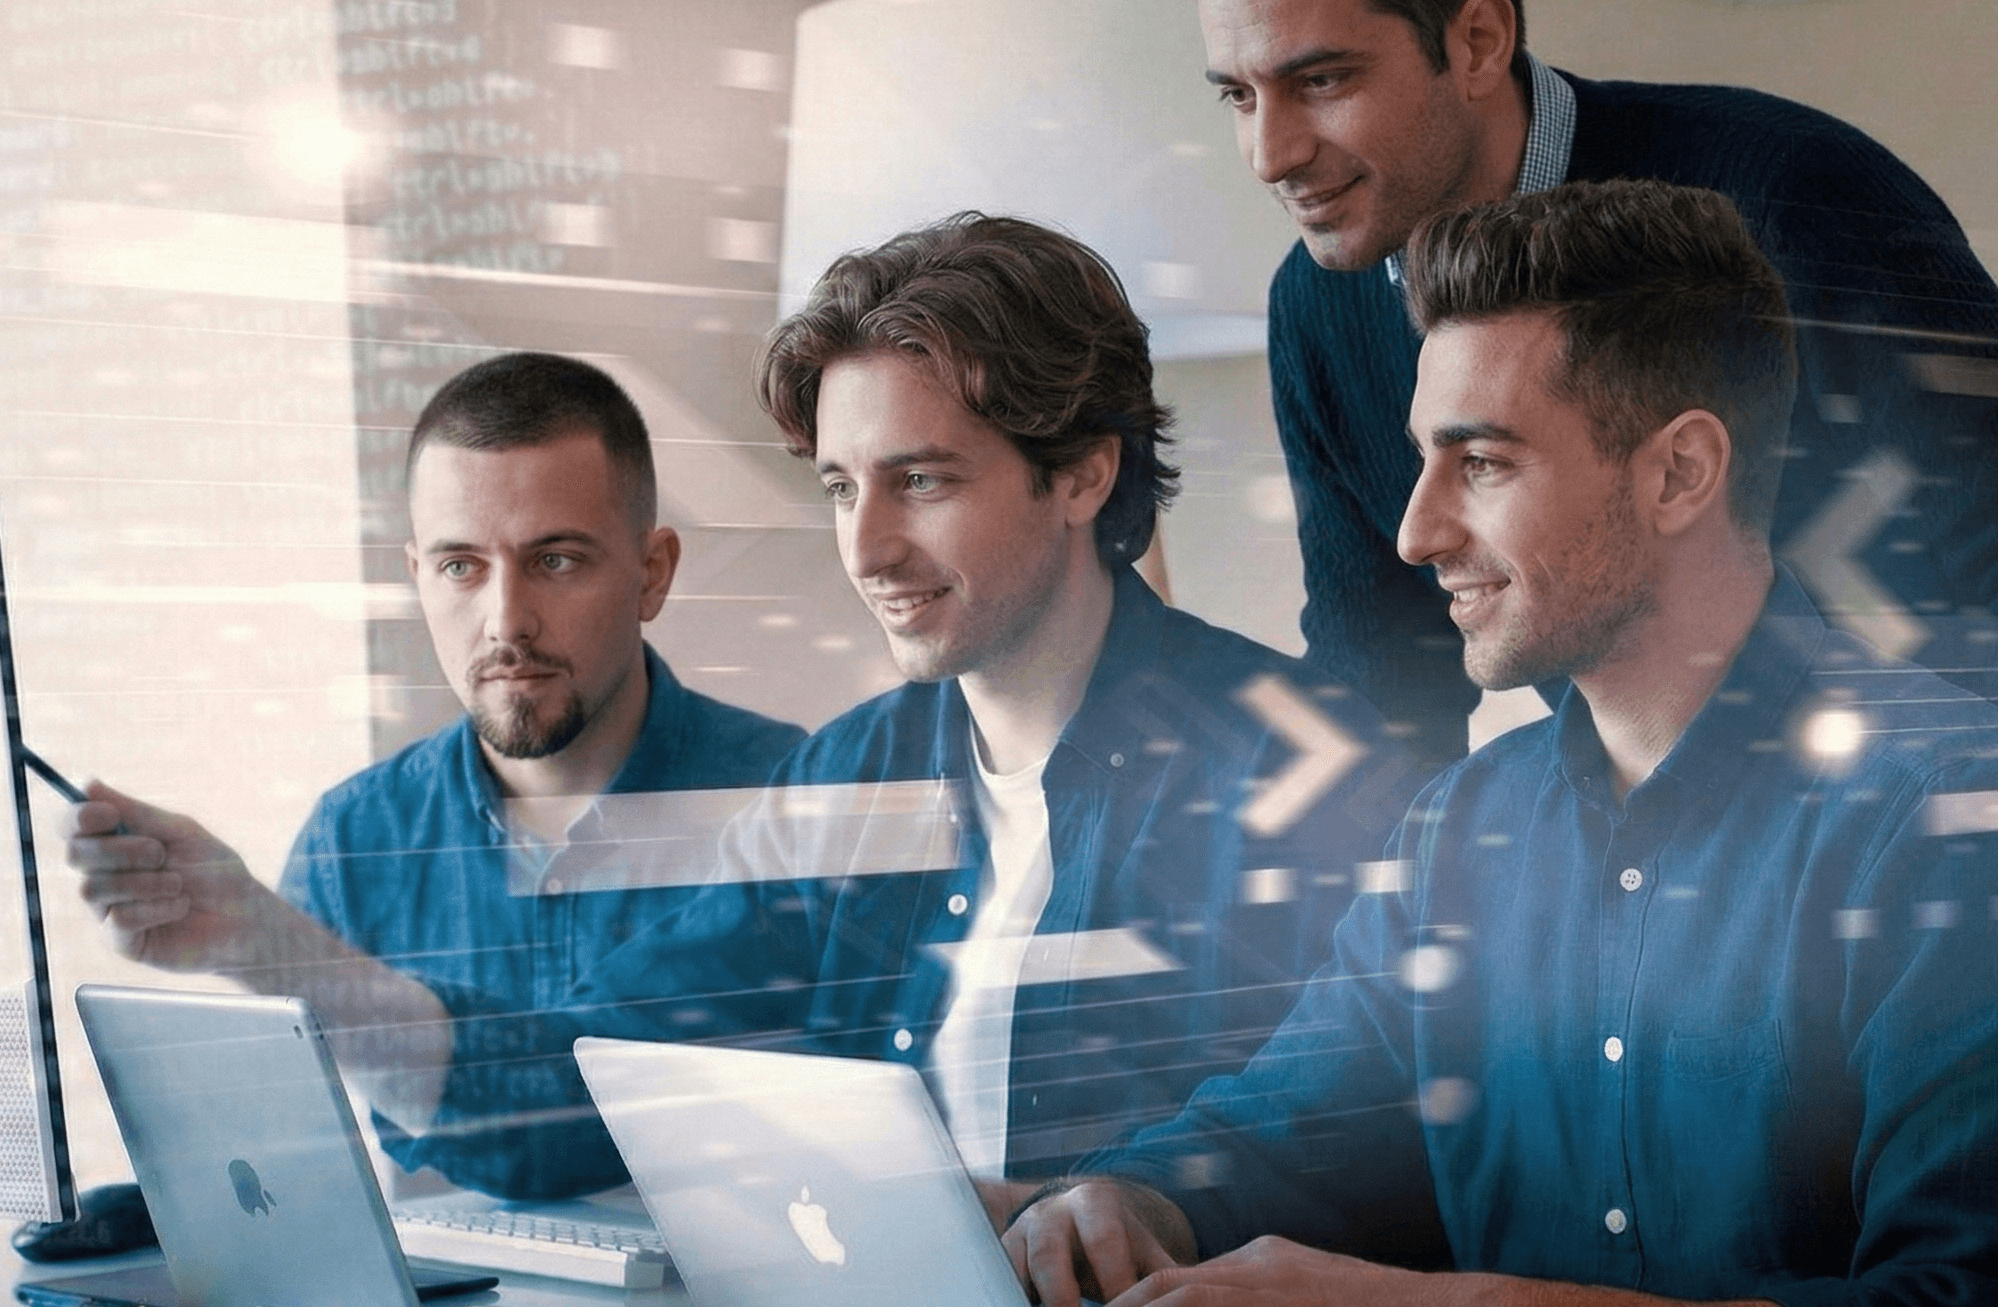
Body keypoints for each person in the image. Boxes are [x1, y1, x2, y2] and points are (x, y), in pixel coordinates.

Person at [1006, 183, 1998, 1307]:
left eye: (1483, 461)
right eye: (1421, 459)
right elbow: (1298, 1123)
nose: (1412, 530)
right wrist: (1128, 1198)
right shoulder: (1461, 829)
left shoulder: (1966, 827)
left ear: (1678, 471)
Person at [1175, 0, 1998, 1029]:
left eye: (1321, 81)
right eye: (1236, 95)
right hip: (1682, 934)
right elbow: (1382, 704)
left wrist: (1878, 906)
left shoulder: (1788, 197)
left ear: (1480, 37)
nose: (1270, 152)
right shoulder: (1322, 307)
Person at [600, 212, 1424, 1181]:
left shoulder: (1303, 770)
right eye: (839, 488)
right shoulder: (845, 775)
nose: (865, 551)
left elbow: (1374, 1152)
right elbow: (605, 1047)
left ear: (1081, 472)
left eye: (919, 479)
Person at [65, 352, 804, 1200]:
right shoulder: (355, 838)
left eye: (556, 560)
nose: (506, 622)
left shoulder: (792, 806)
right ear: (419, 577)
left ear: (652, 572)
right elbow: (290, 1177)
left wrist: (273, 949)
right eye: (461, 567)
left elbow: (583, 1124)